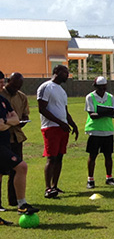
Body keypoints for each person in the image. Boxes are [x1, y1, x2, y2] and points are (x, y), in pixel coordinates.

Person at [37, 65, 79, 198]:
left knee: (60, 157)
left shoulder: (61, 90)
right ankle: (47, 188)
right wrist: (60, 123)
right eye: (65, 72)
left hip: (62, 128)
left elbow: (64, 111)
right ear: (57, 72)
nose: (67, 75)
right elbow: (42, 109)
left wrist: (73, 124)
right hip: (51, 127)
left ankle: (55, 185)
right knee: (51, 157)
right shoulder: (46, 87)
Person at [0, 90, 39, 222]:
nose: (2, 86)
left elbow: (16, 119)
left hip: (5, 144)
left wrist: (5, 120)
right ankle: (22, 205)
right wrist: (7, 122)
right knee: (21, 166)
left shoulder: (3, 100)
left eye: (2, 82)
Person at [84, 76, 114, 189]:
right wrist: (106, 112)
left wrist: (103, 113)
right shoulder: (90, 97)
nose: (102, 90)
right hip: (94, 130)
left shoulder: (110, 97)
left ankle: (109, 177)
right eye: (100, 88)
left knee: (108, 155)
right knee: (93, 155)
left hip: (107, 130)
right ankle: (90, 179)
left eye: (104, 87)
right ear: (96, 87)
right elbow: (92, 115)